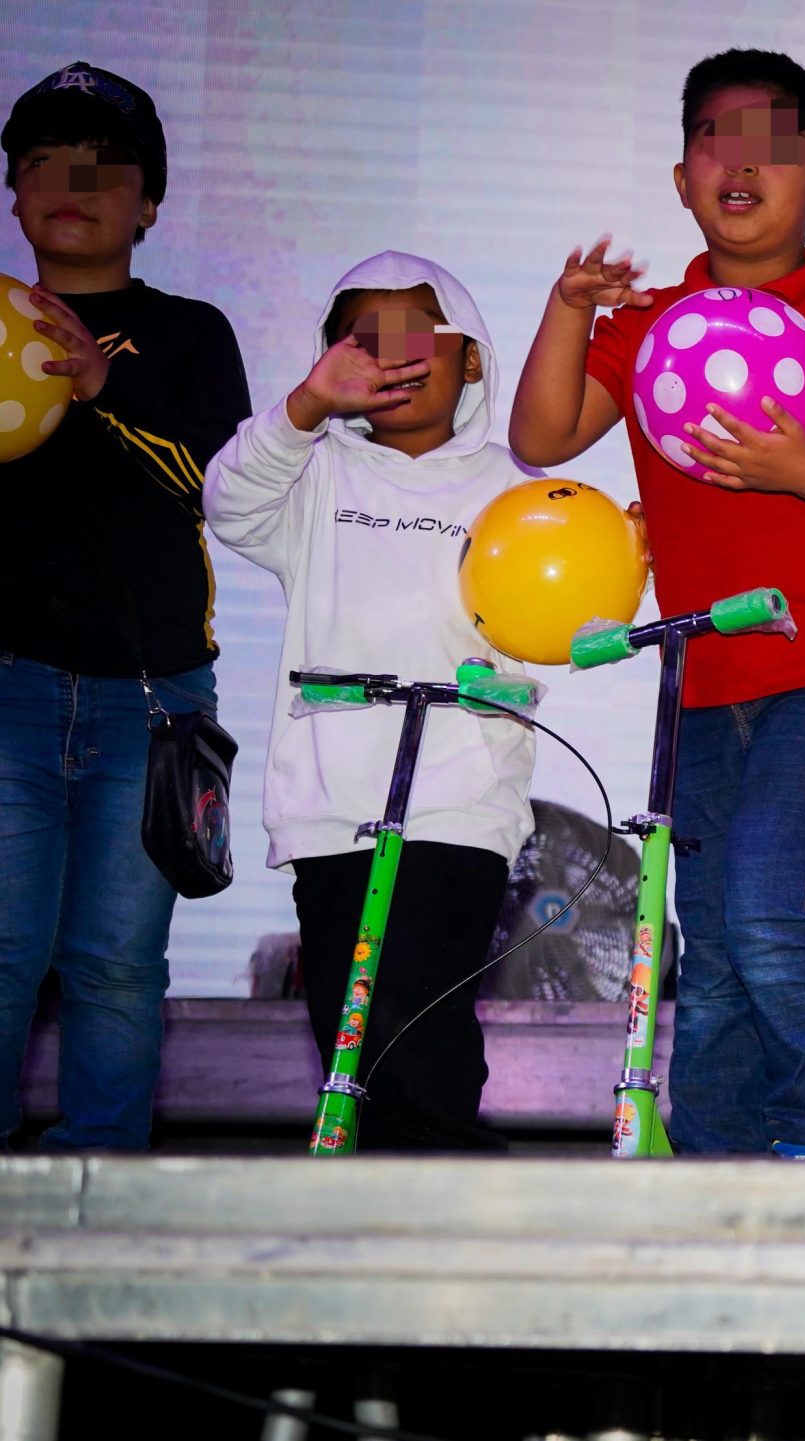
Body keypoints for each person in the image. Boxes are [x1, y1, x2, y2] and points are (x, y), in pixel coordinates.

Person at [511, 49, 805, 1158]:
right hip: (700, 681)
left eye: (774, 146)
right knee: (709, 934)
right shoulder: (652, 319)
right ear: (682, 176)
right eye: (716, 140)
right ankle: (712, 1167)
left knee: (767, 900)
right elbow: (542, 438)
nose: (741, 165)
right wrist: (569, 310)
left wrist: (803, 469)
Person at [203, 252, 538, 1152]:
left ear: (472, 356)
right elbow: (228, 503)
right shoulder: (314, 474)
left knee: (417, 1017)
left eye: (415, 334)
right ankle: (374, 1193)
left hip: (459, 800)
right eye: (364, 339)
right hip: (330, 805)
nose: (391, 357)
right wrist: (305, 407)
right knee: (345, 1029)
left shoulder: (512, 485)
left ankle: (436, 1187)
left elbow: (558, 624)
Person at [0, 63, 249, 1150]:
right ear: (15, 195)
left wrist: (103, 390)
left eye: (101, 168)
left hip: (152, 703)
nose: (72, 186)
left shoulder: (190, 332)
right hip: (6, 692)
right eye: (44, 164)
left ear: (148, 204)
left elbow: (220, 487)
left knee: (114, 962)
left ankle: (103, 1197)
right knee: (1, 954)